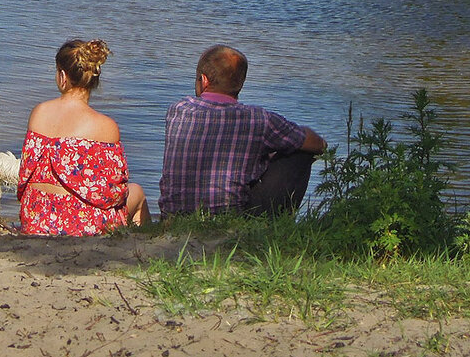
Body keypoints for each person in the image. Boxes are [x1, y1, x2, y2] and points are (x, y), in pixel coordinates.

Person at [158, 44, 327, 218]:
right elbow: (319, 144)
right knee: (300, 152)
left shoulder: (178, 110)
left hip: (173, 216)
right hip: (230, 217)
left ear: (204, 80)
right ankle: (277, 223)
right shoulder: (258, 119)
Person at [18, 39, 150, 235]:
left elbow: (25, 175)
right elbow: (115, 193)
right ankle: (141, 248)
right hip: (82, 224)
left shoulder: (39, 112)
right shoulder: (106, 126)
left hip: (36, 216)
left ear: (62, 76)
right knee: (136, 192)